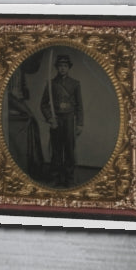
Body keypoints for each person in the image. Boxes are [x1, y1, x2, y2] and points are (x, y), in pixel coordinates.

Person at [41, 54, 83, 187]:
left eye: (65, 66)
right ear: (57, 68)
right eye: (60, 66)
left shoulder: (75, 84)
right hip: (56, 120)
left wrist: (80, 123)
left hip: (70, 120)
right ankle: (55, 177)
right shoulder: (51, 83)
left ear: (69, 67)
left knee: (70, 150)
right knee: (57, 149)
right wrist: (50, 118)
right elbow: (43, 104)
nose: (62, 69)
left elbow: (79, 106)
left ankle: (69, 178)